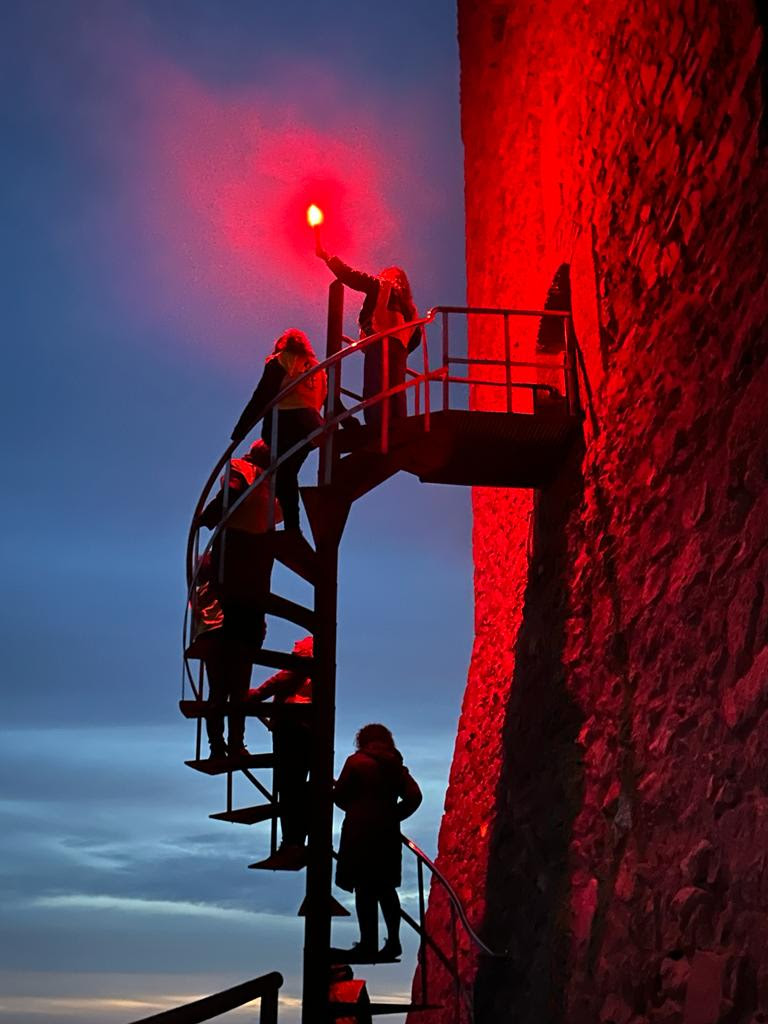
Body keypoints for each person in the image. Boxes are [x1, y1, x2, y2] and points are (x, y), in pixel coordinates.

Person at [194, 439, 279, 760]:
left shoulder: (262, 477)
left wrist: (209, 517)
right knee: (232, 691)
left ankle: (226, 746)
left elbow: (229, 494)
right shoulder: (257, 476)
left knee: (224, 691)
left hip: (228, 626)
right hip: (237, 623)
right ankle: (228, 746)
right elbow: (231, 491)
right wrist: (212, 515)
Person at [333, 724, 422, 961]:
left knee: (364, 889)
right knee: (385, 888)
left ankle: (368, 943)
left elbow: (340, 796)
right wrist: (393, 815)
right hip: (387, 834)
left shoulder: (356, 762)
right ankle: (394, 941)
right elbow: (414, 796)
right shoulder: (395, 766)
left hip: (359, 832)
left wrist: (355, 807)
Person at [231, 329, 327, 532]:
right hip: (313, 426)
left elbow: (262, 396)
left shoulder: (282, 359)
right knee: (288, 473)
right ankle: (293, 529)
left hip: (287, 422)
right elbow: (331, 400)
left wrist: (240, 430)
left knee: (284, 475)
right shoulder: (320, 370)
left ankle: (293, 529)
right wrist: (348, 421)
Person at [316, 249, 422, 429]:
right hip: (400, 349)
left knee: (376, 387)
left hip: (380, 341)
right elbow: (416, 338)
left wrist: (327, 257)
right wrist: (402, 348)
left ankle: (376, 428)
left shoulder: (381, 285)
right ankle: (397, 427)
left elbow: (350, 276)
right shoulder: (410, 308)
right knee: (396, 391)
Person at [247, 635, 313, 870]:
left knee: (288, 787)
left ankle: (292, 843)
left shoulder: (307, 653)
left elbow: (284, 677)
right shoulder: (320, 661)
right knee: (297, 788)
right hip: (305, 727)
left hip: (291, 725)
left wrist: (256, 695)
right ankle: (297, 842)